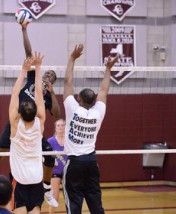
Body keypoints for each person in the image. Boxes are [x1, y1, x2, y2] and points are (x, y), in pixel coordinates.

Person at [0, 23, 61, 208]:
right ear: (42, 74)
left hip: (33, 129)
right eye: (46, 74)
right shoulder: (33, 78)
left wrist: (53, 93)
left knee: (50, 157)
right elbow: (29, 53)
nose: (48, 77)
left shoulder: (46, 99)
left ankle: (46, 188)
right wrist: (24, 30)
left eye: (52, 77)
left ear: (53, 82)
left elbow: (56, 113)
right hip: (16, 123)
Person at [62, 44, 119, 214]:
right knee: (95, 201)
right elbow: (104, 90)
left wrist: (72, 58)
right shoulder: (98, 112)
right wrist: (109, 68)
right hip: (91, 163)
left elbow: (68, 82)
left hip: (75, 163)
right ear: (94, 101)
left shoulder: (72, 109)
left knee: (74, 202)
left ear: (78, 98)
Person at [9, 51, 45, 213]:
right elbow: (38, 93)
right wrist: (38, 68)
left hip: (21, 179)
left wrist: (24, 70)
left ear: (20, 114)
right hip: (37, 178)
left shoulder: (15, 126)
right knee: (35, 210)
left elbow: (15, 93)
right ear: (35, 112)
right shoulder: (40, 122)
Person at [47, 119, 67, 214]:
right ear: (55, 128)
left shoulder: (69, 141)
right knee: (54, 196)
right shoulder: (50, 141)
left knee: (70, 195)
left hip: (67, 171)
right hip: (55, 171)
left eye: (62, 125)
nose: (60, 127)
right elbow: (45, 156)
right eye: (58, 125)